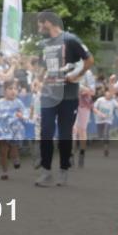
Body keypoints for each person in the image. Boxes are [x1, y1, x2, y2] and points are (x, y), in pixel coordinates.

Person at [34, 10, 93, 187]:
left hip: (68, 96)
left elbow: (89, 60)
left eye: (39, 23)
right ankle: (46, 171)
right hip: (49, 94)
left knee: (65, 134)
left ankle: (63, 170)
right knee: (46, 132)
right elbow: (44, 67)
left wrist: (77, 75)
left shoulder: (70, 39)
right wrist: (39, 80)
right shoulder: (44, 44)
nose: (38, 27)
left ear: (48, 23)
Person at [0, 81, 27, 180]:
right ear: (4, 91)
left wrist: (22, 116)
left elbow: (25, 113)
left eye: (15, 89)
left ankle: (15, 158)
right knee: (3, 151)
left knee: (13, 150)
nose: (13, 91)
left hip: (14, 129)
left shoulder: (18, 102)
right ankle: (4, 172)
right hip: (2, 129)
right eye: (10, 89)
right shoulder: (0, 102)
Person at [73, 69, 97, 168]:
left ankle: (82, 153)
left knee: (82, 130)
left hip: (84, 103)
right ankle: (70, 155)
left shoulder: (88, 72)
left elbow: (92, 92)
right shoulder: (69, 68)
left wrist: (81, 87)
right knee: (72, 129)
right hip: (70, 102)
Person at [93, 85, 117, 157]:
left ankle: (106, 148)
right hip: (99, 120)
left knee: (106, 133)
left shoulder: (113, 101)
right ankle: (104, 143)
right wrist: (99, 113)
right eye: (107, 94)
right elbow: (93, 108)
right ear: (105, 94)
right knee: (100, 135)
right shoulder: (100, 100)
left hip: (108, 119)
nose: (109, 95)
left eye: (110, 94)